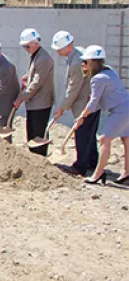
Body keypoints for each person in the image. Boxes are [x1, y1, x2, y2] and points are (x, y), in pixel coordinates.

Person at [76, 45, 129, 185]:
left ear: (93, 62)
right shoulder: (109, 70)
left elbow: (94, 103)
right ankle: (127, 172)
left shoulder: (97, 79)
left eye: (85, 62)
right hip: (126, 106)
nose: (82, 64)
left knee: (104, 140)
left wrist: (82, 116)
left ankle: (98, 174)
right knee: (126, 140)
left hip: (120, 111)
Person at [51, 31, 98, 176]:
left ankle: (81, 166)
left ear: (67, 47)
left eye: (59, 49)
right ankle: (92, 162)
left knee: (82, 135)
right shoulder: (79, 54)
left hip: (85, 104)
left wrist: (62, 107)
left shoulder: (77, 61)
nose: (57, 51)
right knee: (89, 133)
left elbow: (74, 88)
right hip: (91, 102)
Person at [14, 28, 55, 156]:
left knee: (38, 133)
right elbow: (35, 75)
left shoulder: (43, 58)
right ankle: (34, 157)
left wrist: (22, 97)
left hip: (41, 102)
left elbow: (37, 82)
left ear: (35, 43)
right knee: (31, 132)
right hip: (34, 102)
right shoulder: (36, 55)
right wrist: (27, 76)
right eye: (24, 47)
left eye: (27, 46)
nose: (26, 49)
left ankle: (40, 157)